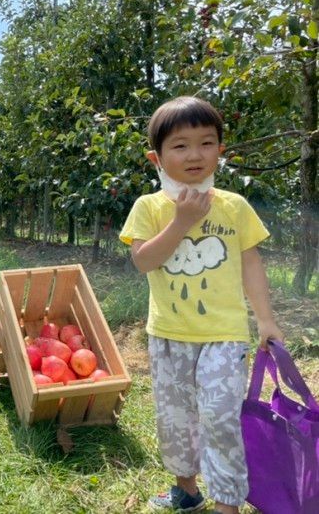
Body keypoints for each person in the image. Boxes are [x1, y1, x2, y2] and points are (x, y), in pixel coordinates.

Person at [119, 96, 284, 514]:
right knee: (175, 419)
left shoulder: (233, 207)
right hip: (169, 335)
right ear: (155, 157)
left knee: (221, 420)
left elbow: (250, 263)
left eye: (206, 143)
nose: (195, 155)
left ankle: (227, 502)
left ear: (221, 151)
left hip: (224, 337)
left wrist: (266, 320)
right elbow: (144, 261)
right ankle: (187, 490)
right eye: (180, 145)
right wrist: (181, 222)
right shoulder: (150, 207)